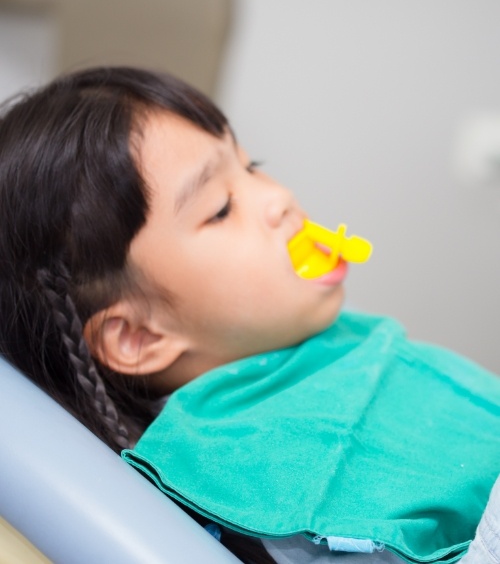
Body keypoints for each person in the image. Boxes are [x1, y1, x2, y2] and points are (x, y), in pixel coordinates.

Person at [0, 67, 497, 564]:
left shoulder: (302, 338)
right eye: (220, 208)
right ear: (136, 336)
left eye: (251, 165)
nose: (279, 197)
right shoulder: (260, 483)